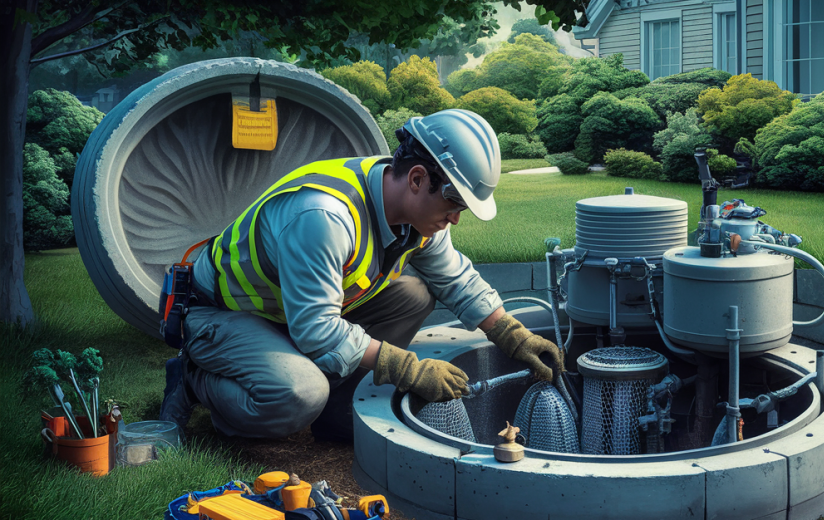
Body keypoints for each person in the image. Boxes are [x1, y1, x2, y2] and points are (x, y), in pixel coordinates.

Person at [159, 109, 562, 441]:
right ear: (418, 178)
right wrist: (407, 368)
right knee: (297, 394)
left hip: (287, 314)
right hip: (224, 315)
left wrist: (512, 334)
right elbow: (316, 329)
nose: (456, 217)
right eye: (454, 201)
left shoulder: (417, 217)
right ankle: (195, 379)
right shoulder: (324, 218)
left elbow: (455, 278)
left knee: (415, 294)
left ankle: (337, 411)